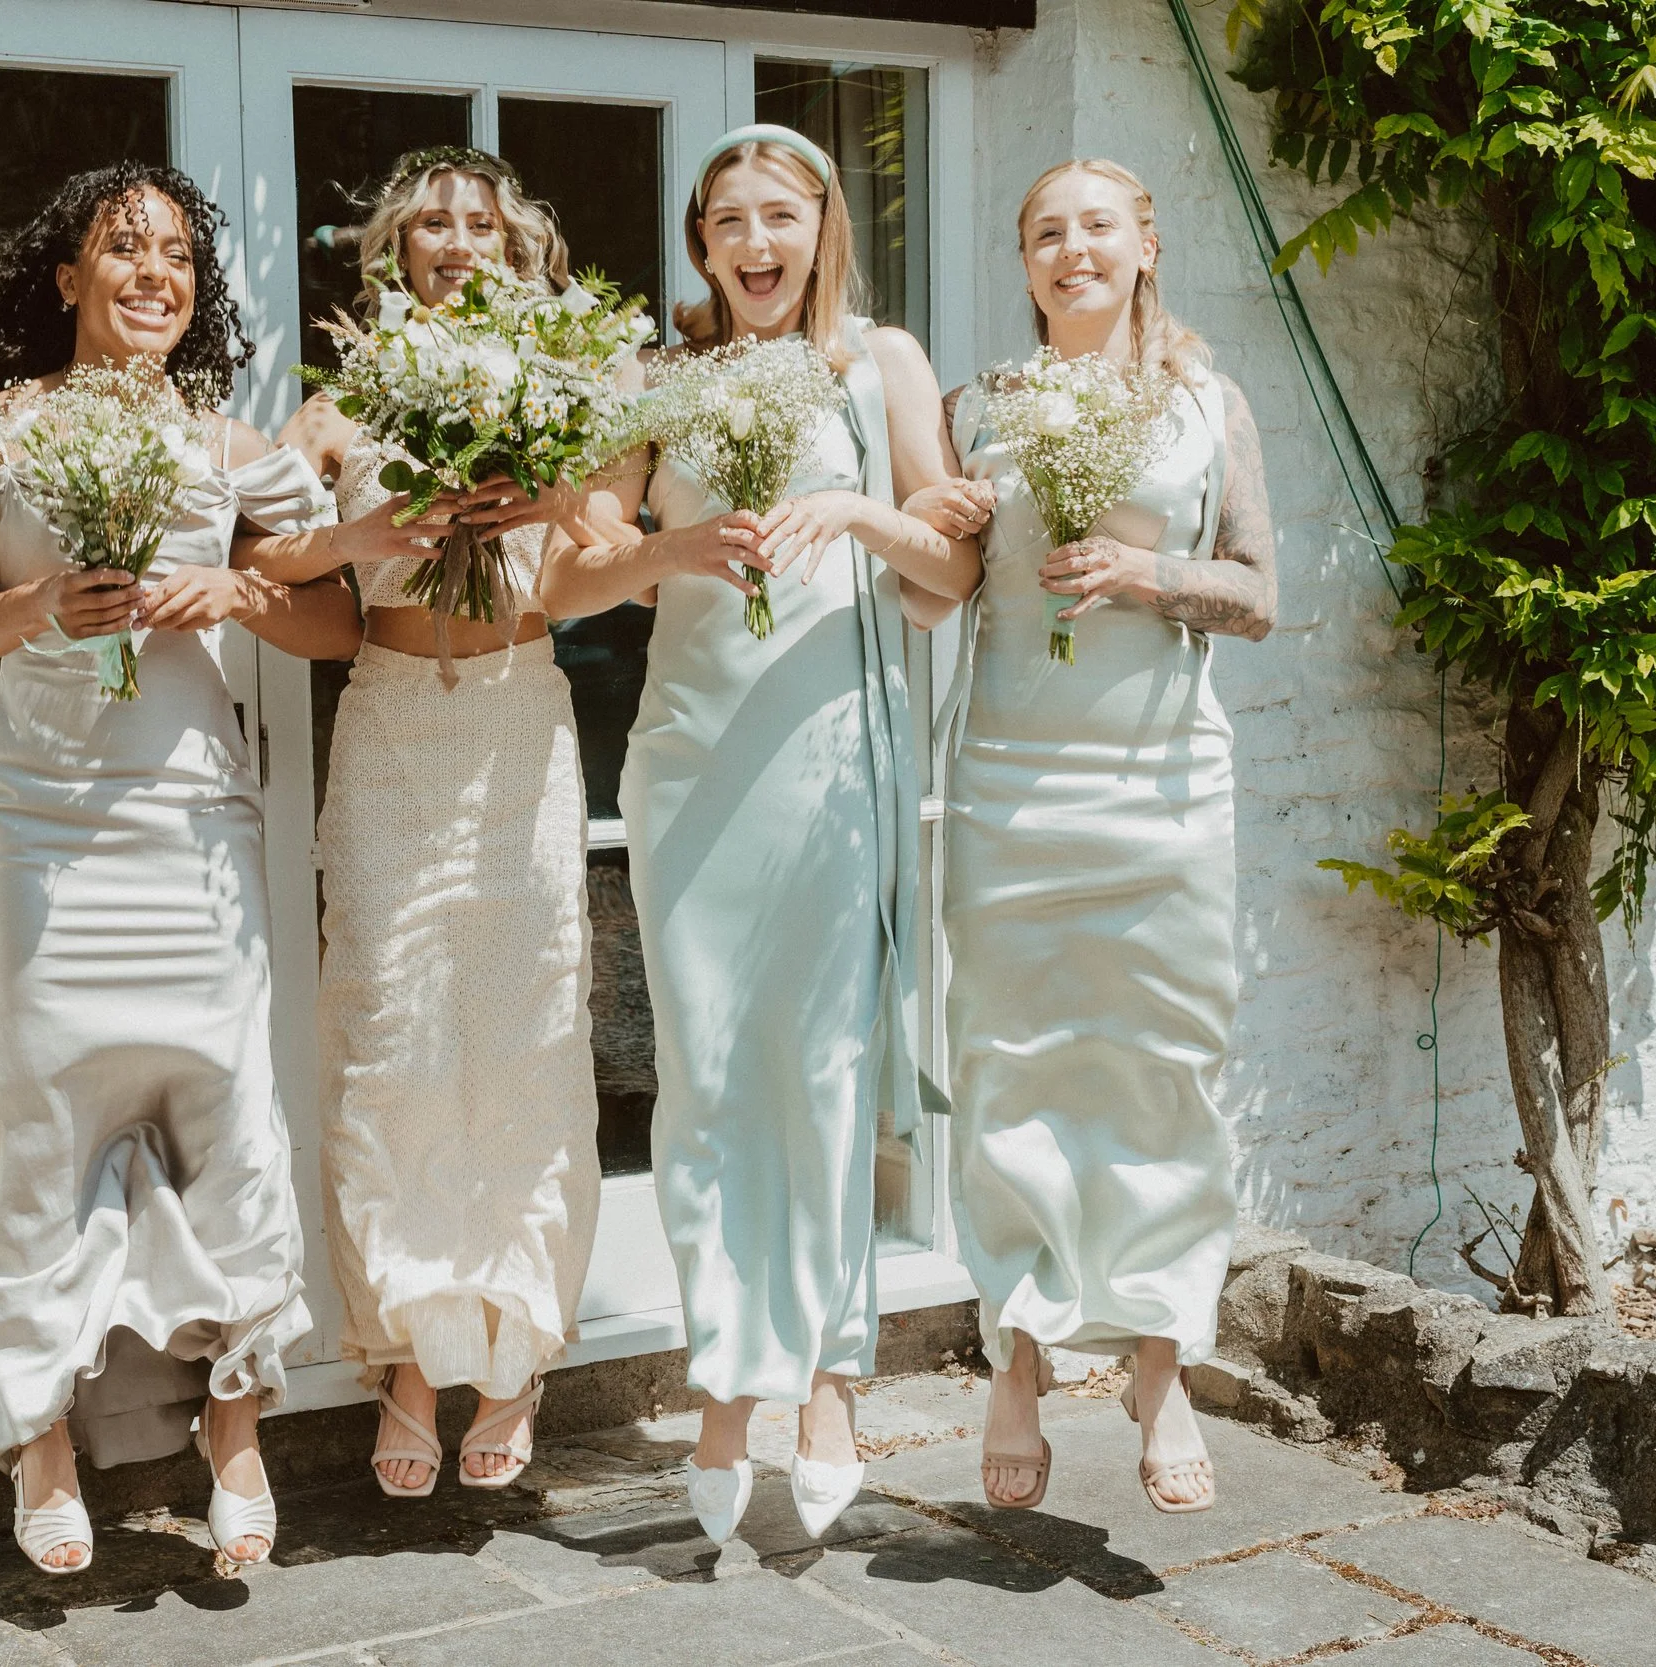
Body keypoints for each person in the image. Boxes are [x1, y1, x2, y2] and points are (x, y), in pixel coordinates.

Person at [0, 162, 360, 1576]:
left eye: (174, 257)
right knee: (36, 1120)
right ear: (67, 280)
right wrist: (39, 602)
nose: (154, 274)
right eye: (121, 249)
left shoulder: (226, 446)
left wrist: (244, 591)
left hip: (192, 824)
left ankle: (236, 1432)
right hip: (44, 825)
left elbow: (335, 624)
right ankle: (37, 1438)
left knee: (229, 1113)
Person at [537, 124, 978, 1547]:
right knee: (708, 1073)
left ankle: (834, 1379)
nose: (753, 242)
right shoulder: (658, 381)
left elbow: (949, 571)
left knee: (828, 1069)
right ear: (701, 243)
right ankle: (726, 1379)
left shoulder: (882, 362)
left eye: (778, 214)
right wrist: (679, 547)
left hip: (832, 758)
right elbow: (565, 573)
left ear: (822, 225)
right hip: (692, 762)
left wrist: (855, 508)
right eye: (727, 220)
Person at [909, 158, 1275, 1517]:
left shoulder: (1207, 400)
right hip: (1008, 783)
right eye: (1046, 232)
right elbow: (938, 588)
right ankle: (1018, 1350)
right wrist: (919, 524)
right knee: (1008, 1063)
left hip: (1164, 785)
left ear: (1145, 242)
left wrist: (1149, 573)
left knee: (1163, 1062)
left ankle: (1160, 1360)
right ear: (1023, 261)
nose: (1073, 250)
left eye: (1097, 227)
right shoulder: (975, 409)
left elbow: (1258, 589)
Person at [240, 146, 600, 1497]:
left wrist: (550, 499)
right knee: (391, 1033)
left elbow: (600, 552)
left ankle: (511, 1352)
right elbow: (261, 554)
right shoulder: (342, 405)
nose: (458, 237)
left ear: (518, 246)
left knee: (522, 1022)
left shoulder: (565, 392)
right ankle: (407, 1349)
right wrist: (369, 528)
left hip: (517, 717)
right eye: (433, 221)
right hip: (389, 715)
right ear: (395, 247)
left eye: (483, 221)